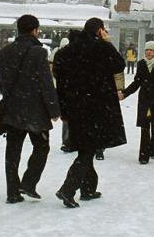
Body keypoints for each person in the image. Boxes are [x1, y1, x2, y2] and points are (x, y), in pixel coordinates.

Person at [52, 17, 126, 207]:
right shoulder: (101, 47)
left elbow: (59, 77)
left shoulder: (66, 51)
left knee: (86, 146)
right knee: (88, 150)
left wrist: (64, 106)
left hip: (75, 107)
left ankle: (88, 189)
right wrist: (107, 42)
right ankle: (68, 189)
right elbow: (119, 65)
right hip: (98, 107)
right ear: (100, 30)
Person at [0, 14, 61, 204]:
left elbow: (1, 83)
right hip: (35, 111)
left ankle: (12, 191)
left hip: (12, 109)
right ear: (35, 30)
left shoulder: (4, 52)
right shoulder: (38, 52)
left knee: (12, 151)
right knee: (42, 147)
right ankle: (29, 183)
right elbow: (46, 83)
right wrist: (54, 110)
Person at [121, 41, 154, 164]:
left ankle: (153, 150)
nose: (148, 52)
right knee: (144, 127)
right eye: (146, 50)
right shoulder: (141, 64)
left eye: (151, 50)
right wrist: (125, 93)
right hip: (144, 100)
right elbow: (137, 82)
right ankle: (144, 155)